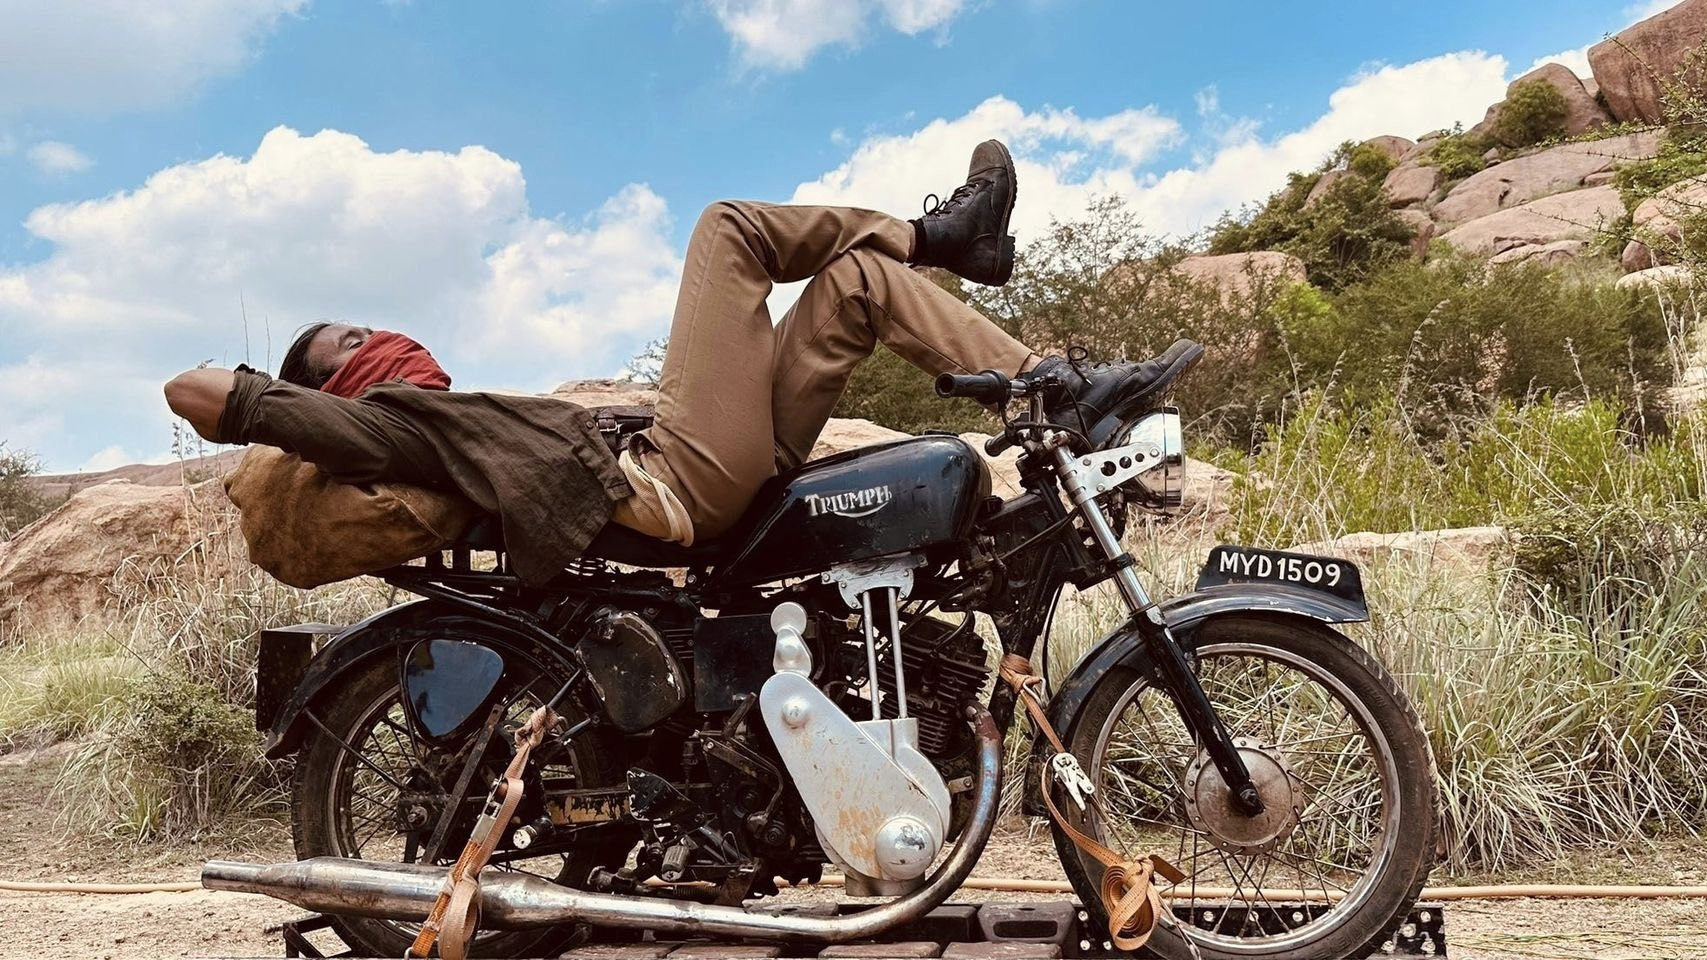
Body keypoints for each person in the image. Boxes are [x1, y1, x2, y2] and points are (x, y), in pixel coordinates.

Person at [166, 141, 1201, 582]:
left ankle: (1052, 391)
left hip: (703, 461)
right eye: (347, 344)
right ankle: (941, 238)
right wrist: (273, 399)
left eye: (361, 324)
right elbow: (195, 392)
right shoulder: (381, 426)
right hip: (677, 480)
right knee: (729, 228)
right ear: (336, 389)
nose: (373, 335)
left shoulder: (433, 418)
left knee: (855, 282)